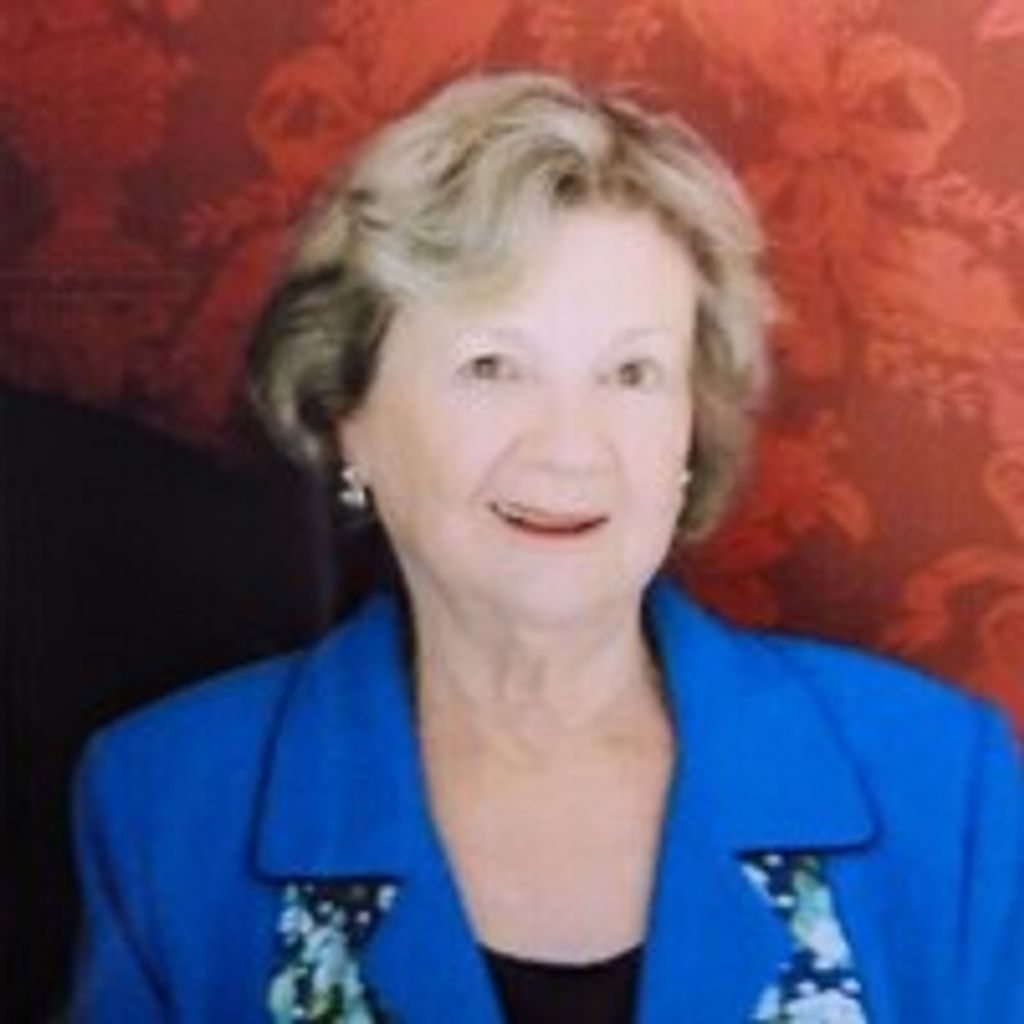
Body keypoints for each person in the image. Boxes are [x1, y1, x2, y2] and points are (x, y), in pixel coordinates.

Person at [70, 71, 1023, 1024]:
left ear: (690, 432)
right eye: (493, 366)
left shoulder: (941, 780)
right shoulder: (166, 802)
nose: (572, 448)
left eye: (632, 372)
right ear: (346, 411)